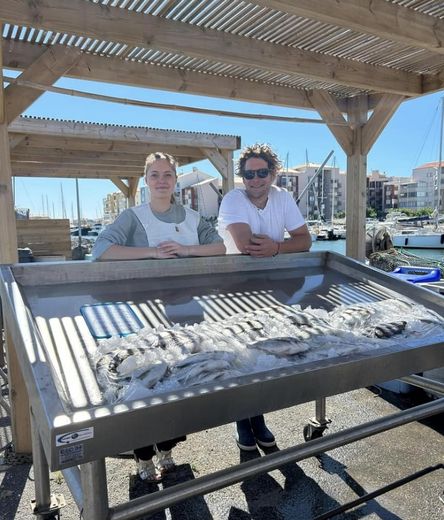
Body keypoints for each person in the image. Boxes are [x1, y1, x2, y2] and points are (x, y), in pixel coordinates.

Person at [92, 152, 226, 481]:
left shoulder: (193, 218)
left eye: (168, 174)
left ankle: (166, 450)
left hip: (186, 312)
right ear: (147, 179)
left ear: (175, 180)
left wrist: (185, 250)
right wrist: (152, 252)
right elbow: (101, 250)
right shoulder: (132, 217)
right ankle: (142, 458)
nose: (162, 180)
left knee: (177, 381)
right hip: (144, 316)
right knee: (142, 384)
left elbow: (220, 247)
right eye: (155, 175)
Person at [218, 143, 312, 451]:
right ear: (242, 177)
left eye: (261, 173)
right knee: (240, 355)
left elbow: (305, 240)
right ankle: (243, 421)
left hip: (271, 289)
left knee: (263, 355)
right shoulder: (233, 198)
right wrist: (280, 245)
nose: (255, 180)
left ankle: (256, 419)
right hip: (235, 288)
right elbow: (248, 246)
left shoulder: (282, 197)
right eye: (248, 174)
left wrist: (276, 247)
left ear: (272, 173)